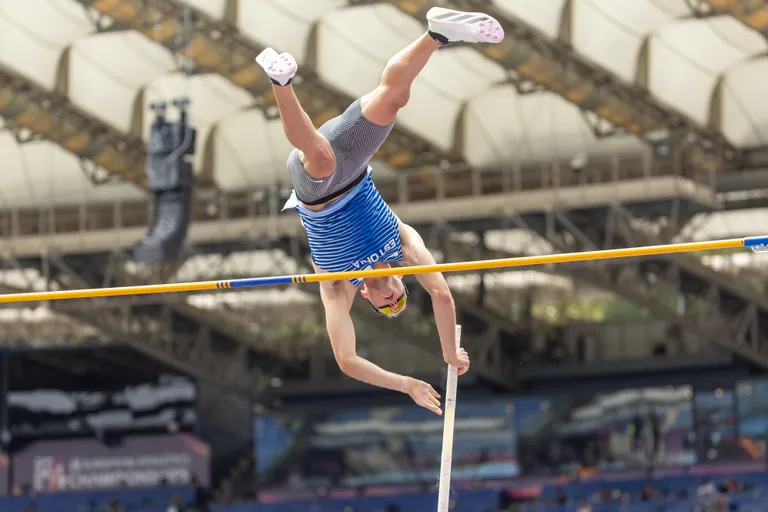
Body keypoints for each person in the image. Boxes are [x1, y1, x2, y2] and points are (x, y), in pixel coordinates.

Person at [256, 7, 504, 415]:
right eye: (399, 296)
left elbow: (347, 361)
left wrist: (406, 384)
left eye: (385, 303)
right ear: (403, 281)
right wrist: (449, 353)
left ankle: (281, 81)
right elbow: (441, 294)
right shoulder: (405, 246)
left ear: (368, 299)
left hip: (316, 189)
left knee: (318, 158)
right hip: (354, 169)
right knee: (392, 99)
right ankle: (437, 34)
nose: (391, 296)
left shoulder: (337, 288)